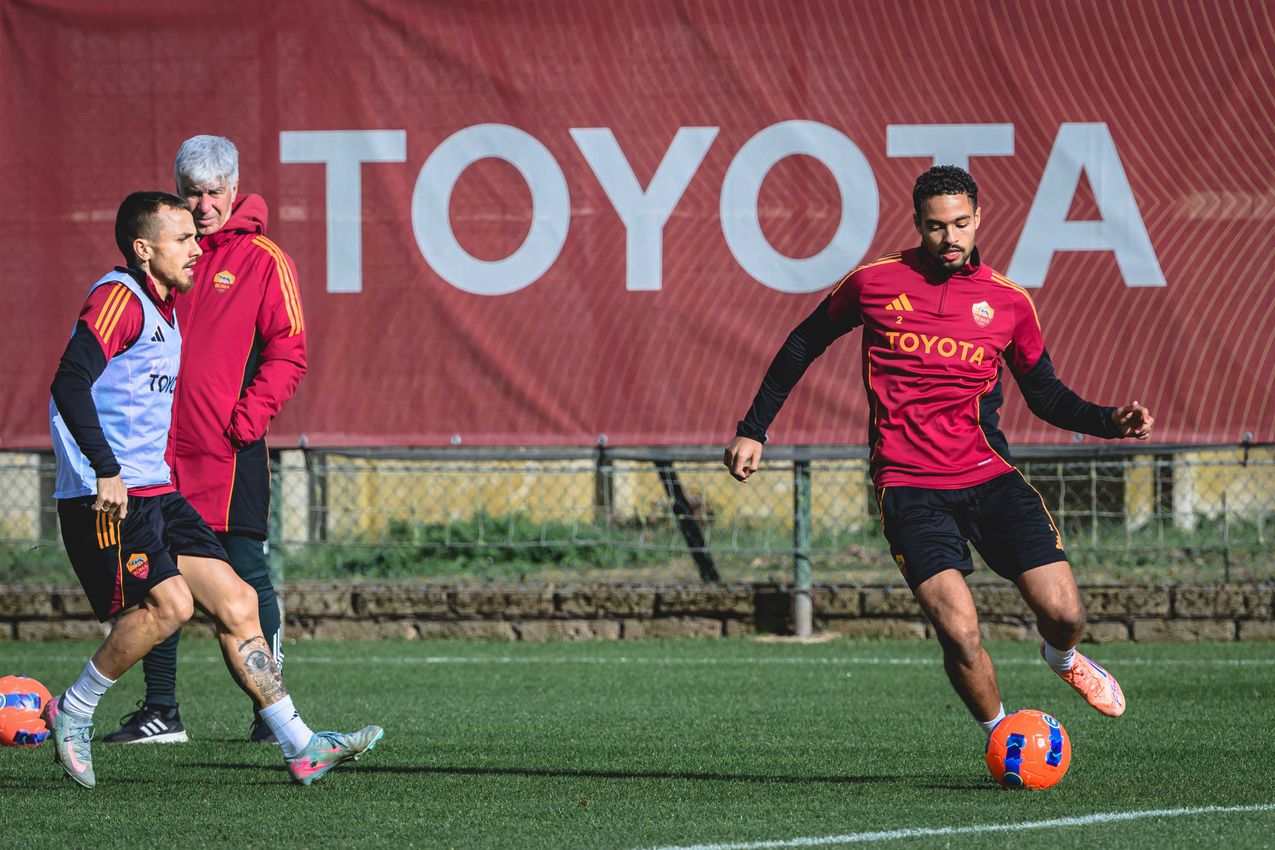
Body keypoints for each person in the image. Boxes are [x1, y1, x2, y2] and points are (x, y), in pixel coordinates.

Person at [724, 165, 1153, 740]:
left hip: (989, 477)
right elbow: (805, 340)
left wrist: (1110, 421)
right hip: (908, 486)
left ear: (978, 219)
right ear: (917, 225)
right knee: (959, 631)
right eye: (935, 226)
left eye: (960, 224)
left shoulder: (1008, 303)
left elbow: (1045, 395)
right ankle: (1005, 738)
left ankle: (1062, 657)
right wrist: (755, 428)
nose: (949, 237)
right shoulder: (874, 283)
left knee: (1067, 615)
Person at [45, 191, 381, 788]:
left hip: (158, 491)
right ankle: (73, 710)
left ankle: (301, 745)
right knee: (170, 607)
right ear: (144, 250)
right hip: (111, 496)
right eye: (182, 240)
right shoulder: (118, 298)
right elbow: (70, 382)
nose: (198, 249)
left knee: (238, 601)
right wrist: (105, 470)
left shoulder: (165, 305)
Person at [105, 136, 305, 746]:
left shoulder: (265, 259)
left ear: (235, 187)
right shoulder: (162, 257)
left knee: (246, 574)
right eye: (192, 191)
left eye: (214, 191)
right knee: (156, 577)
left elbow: (289, 351)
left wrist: (244, 423)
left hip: (231, 452)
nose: (203, 204)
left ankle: (269, 718)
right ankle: (161, 711)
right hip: (159, 452)